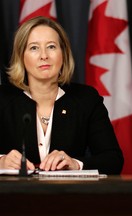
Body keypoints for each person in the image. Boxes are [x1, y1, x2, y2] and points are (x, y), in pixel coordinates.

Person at [0, 16, 124, 174]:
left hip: (69, 196)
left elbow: (113, 160)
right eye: (34, 48)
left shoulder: (86, 99)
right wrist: (1, 161)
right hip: (12, 197)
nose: (44, 55)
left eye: (51, 47)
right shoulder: (3, 100)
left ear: (63, 54)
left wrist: (75, 164)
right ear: (21, 57)